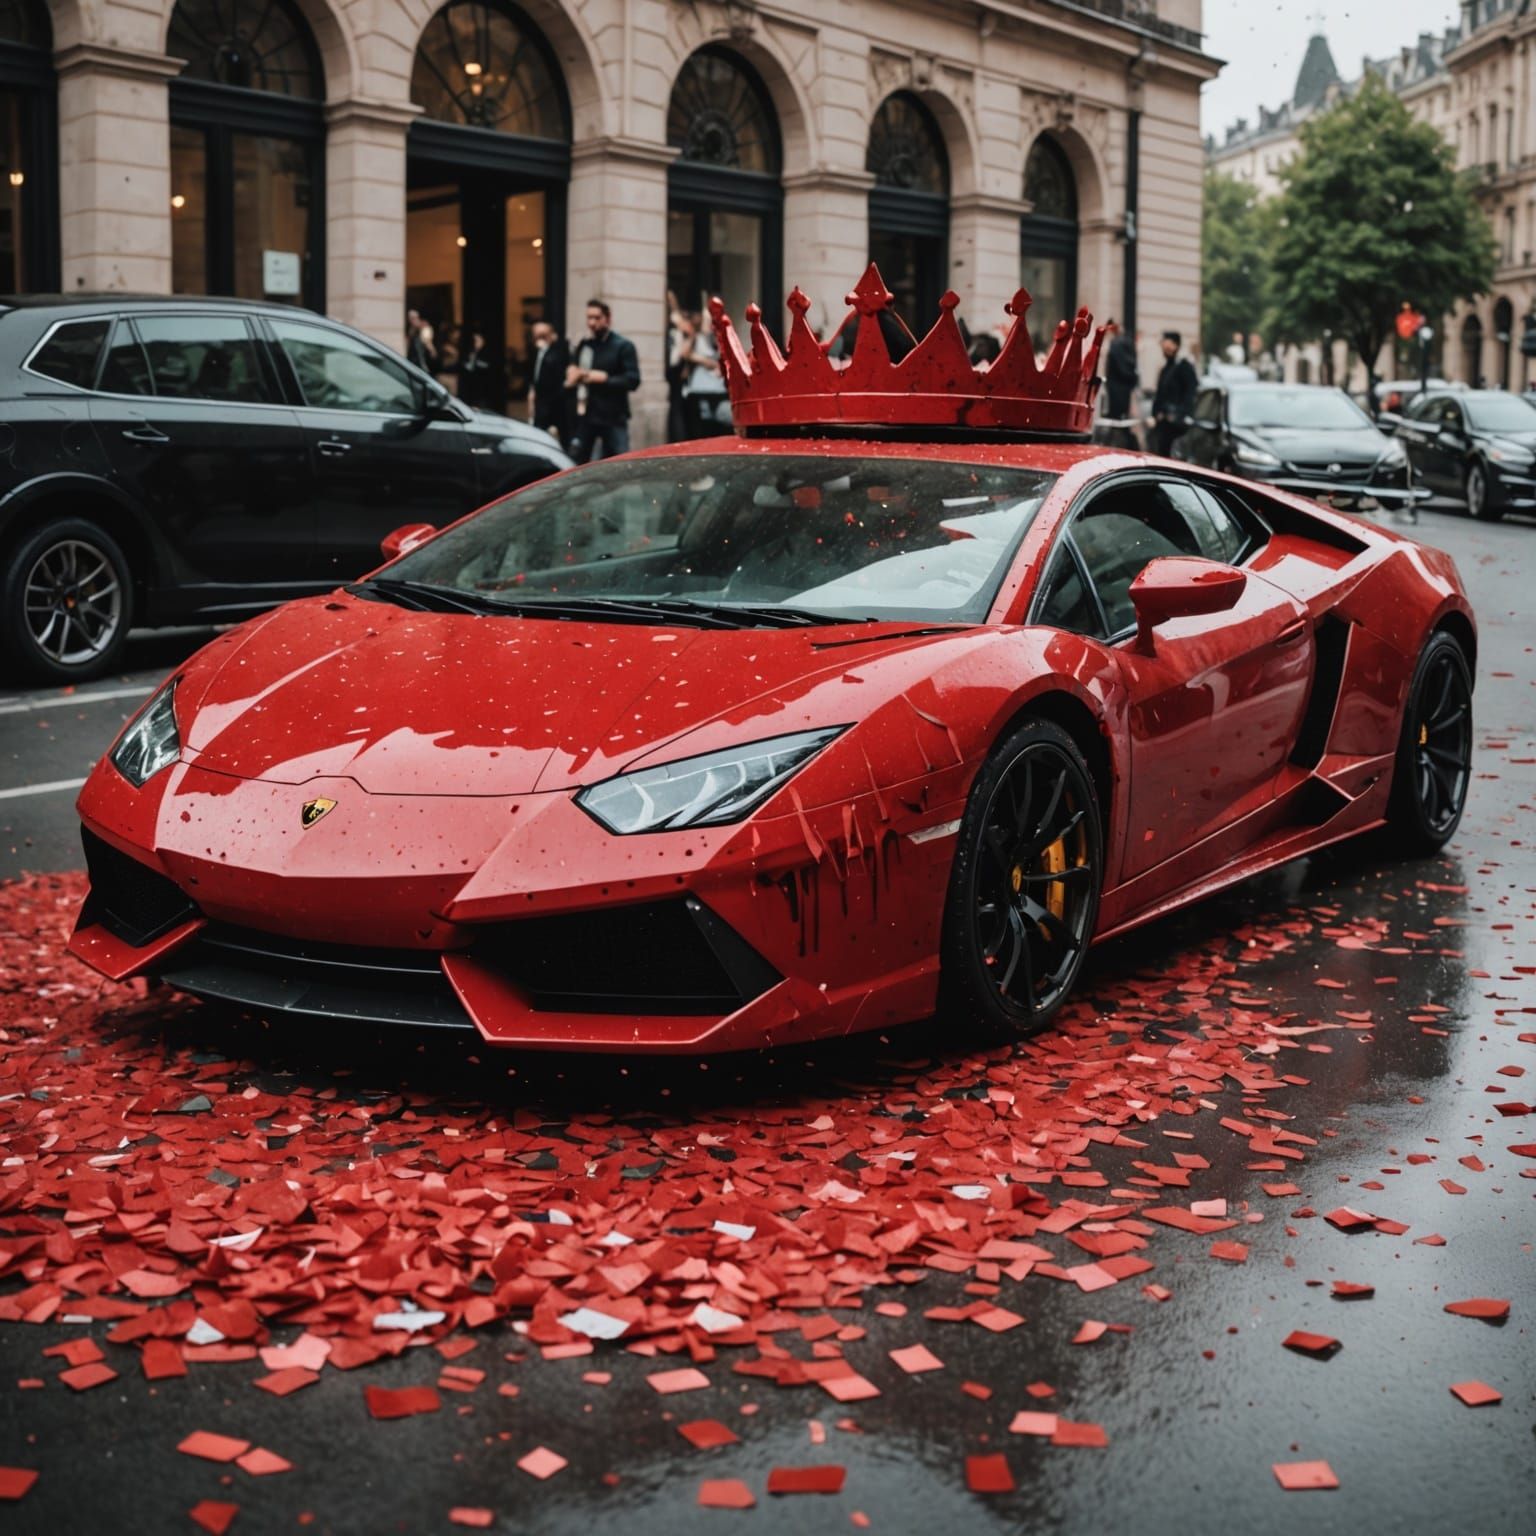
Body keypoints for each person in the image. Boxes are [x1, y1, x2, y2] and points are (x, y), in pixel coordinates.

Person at [566, 298, 641, 462]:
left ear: (608, 318)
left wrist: (605, 379)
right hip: (586, 414)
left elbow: (633, 380)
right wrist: (573, 370)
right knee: (577, 461)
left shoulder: (623, 346)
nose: (592, 323)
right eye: (589, 318)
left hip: (613, 416)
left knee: (620, 461)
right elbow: (574, 371)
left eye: (597, 318)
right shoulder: (585, 344)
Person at [678, 310, 729, 438]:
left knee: (715, 426)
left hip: (717, 388)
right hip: (699, 389)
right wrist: (704, 361)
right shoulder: (696, 337)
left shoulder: (718, 338)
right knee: (700, 426)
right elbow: (685, 353)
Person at [1150, 331, 1198, 457]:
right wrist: (1155, 413)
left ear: (1176, 346)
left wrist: (1179, 414)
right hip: (1163, 423)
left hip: (1176, 425)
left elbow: (1190, 394)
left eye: (1168, 346)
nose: (1165, 349)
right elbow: (1160, 394)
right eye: (1164, 346)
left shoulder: (1184, 366)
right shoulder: (1166, 368)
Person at [527, 320, 570, 442]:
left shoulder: (557, 351)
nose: (539, 339)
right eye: (536, 335)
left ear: (551, 335)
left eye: (543, 335)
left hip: (555, 403)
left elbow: (556, 371)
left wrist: (545, 349)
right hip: (539, 402)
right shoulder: (534, 351)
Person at [1102, 321, 1140, 450]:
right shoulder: (1124, 342)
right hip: (1122, 388)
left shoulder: (1117, 344)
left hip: (1118, 389)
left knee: (1119, 423)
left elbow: (1122, 368)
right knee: (1120, 423)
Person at [456, 327, 494, 410]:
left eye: (478, 341)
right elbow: (466, 366)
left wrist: (475, 362)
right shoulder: (471, 351)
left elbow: (487, 366)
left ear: (483, 341)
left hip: (482, 387)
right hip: (470, 387)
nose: (476, 343)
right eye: (475, 341)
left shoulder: (486, 352)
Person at [405, 308, 436, 374]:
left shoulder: (423, 326)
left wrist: (432, 350)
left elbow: (427, 340)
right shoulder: (411, 328)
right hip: (413, 356)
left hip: (421, 355)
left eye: (413, 318)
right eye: (411, 318)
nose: (412, 320)